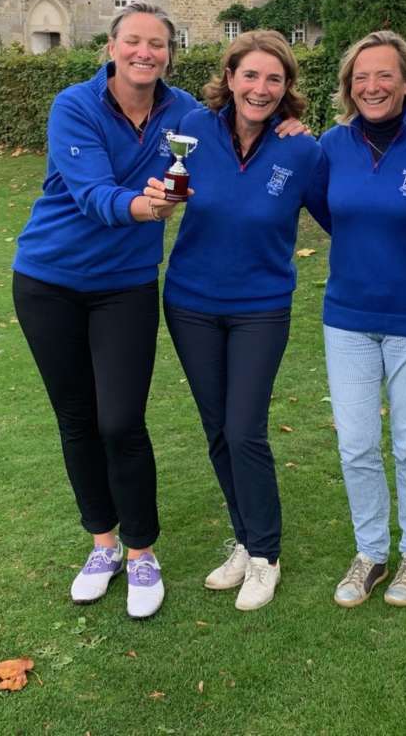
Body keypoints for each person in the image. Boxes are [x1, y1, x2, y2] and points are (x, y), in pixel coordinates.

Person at [11, 2, 196, 620]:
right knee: (77, 419)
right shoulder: (75, 105)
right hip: (49, 279)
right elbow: (90, 193)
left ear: (170, 53)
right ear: (111, 47)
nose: (146, 52)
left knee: (121, 421)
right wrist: (146, 210)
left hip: (126, 285)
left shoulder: (185, 112)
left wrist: (286, 127)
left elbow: (238, 127)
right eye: (134, 42)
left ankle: (142, 552)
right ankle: (103, 544)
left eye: (158, 44)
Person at [146, 30, 327, 611]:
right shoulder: (191, 130)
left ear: (287, 88)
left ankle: (267, 555)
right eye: (250, 75)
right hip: (191, 303)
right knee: (218, 429)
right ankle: (246, 543)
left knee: (245, 429)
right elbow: (150, 186)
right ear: (229, 77)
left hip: (260, 308)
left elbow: (340, 216)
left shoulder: (302, 149)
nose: (261, 88)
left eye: (274, 79)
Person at [318, 30, 406, 608]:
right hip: (346, 317)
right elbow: (330, 213)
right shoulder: (330, 145)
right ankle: (371, 552)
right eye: (361, 77)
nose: (372, 86)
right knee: (357, 443)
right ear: (349, 87)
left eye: (385, 75)